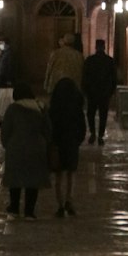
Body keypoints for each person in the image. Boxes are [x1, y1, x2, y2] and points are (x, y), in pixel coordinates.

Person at [0, 82, 52, 219]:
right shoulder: (40, 108)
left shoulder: (13, 109)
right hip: (36, 149)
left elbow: (5, 131)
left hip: (16, 148)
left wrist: (8, 145)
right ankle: (29, 211)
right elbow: (47, 130)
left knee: (15, 181)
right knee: (33, 181)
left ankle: (14, 208)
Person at [48, 75, 87, 216]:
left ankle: (59, 205)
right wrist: (78, 140)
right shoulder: (76, 109)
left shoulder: (54, 110)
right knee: (71, 173)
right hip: (72, 144)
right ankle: (69, 200)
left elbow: (49, 127)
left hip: (58, 144)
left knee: (59, 176)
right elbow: (82, 127)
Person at [82, 38, 118, 144]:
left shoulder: (89, 60)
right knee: (103, 115)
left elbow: (85, 76)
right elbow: (114, 78)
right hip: (104, 93)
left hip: (92, 92)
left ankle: (93, 133)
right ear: (104, 47)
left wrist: (85, 90)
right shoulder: (109, 61)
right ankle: (100, 136)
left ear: (95, 47)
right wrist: (111, 91)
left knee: (90, 114)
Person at [0, 37, 15, 120]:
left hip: (5, 79)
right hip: (3, 78)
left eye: (1, 43)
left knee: (5, 98)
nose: (0, 45)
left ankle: (4, 115)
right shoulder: (5, 52)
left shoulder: (9, 53)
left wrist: (9, 79)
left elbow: (10, 67)